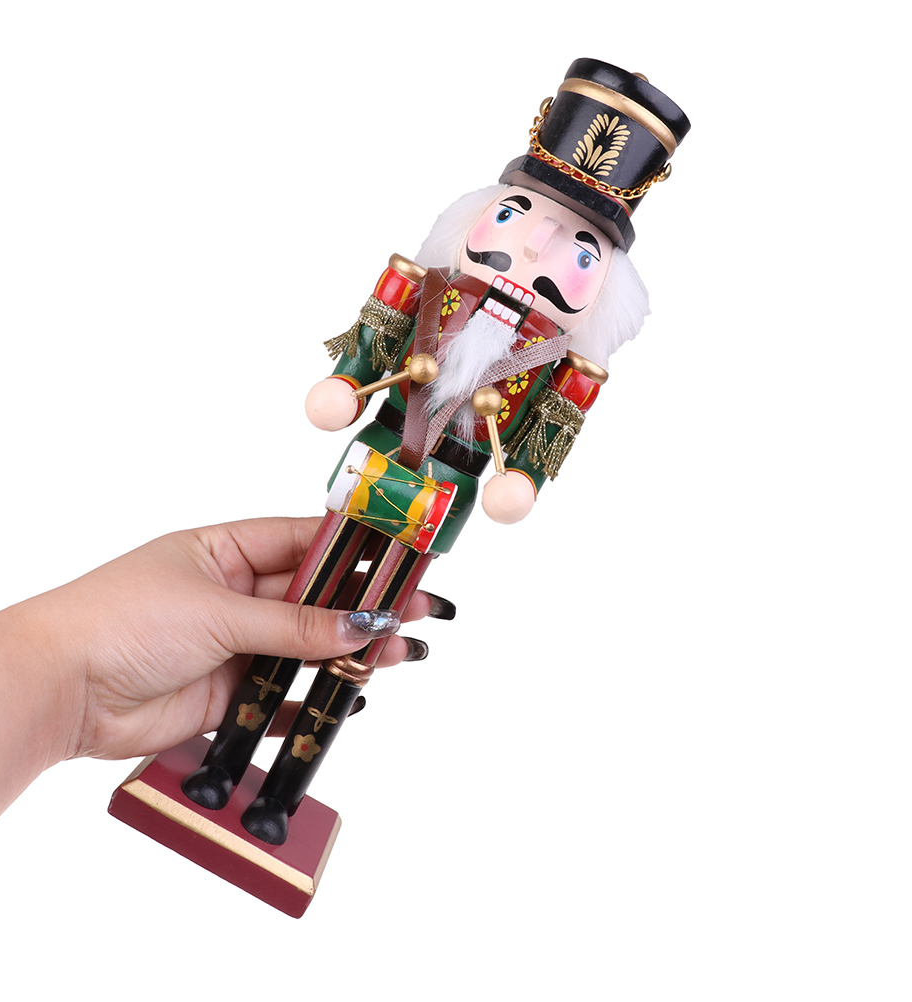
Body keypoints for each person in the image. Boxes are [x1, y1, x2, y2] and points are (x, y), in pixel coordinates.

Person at [180, 58, 690, 844]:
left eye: (581, 248)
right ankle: (225, 760)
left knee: (362, 638)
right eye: (519, 213)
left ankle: (283, 794)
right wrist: (344, 385)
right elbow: (365, 354)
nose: (538, 244)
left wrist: (522, 480)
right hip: (377, 459)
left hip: (445, 494)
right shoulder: (422, 290)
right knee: (304, 604)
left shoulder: (564, 365)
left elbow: (542, 444)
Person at [0, 516, 446, 852]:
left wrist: (72, 689)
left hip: (418, 527)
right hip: (363, 508)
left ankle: (278, 799)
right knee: (283, 643)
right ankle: (221, 767)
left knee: (328, 686)